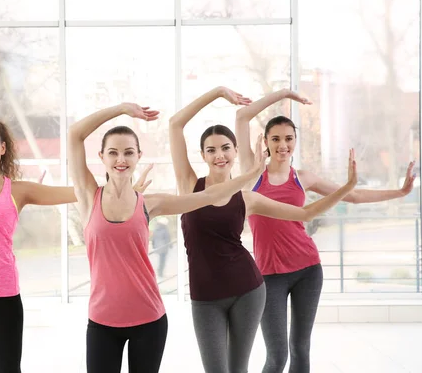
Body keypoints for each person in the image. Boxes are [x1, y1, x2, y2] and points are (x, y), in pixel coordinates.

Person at [0, 96, 151, 373]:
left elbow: (81, 193)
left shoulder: (18, 191)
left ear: (3, 147)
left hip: (3, 294)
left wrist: (124, 193)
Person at [68, 101, 278, 373]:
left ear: (138, 156)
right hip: (102, 320)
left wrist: (252, 174)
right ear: (102, 156)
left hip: (149, 318)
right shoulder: (88, 196)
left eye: (128, 153)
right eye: (114, 153)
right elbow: (74, 135)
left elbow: (208, 196)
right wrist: (120, 109)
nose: (121, 159)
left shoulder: (149, 203)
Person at [169, 86, 359, 373]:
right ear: (203, 155)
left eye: (225, 148)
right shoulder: (189, 187)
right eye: (211, 150)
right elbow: (175, 124)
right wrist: (218, 92)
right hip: (205, 296)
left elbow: (306, 213)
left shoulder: (248, 197)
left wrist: (347, 187)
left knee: (241, 369)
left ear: (235, 152)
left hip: (247, 289)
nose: (219, 155)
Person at [234, 88, 416, 373]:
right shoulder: (253, 173)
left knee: (300, 350)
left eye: (288, 139)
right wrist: (284, 93)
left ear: (295, 142)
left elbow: (352, 196)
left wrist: (399, 192)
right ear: (266, 142)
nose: (283, 145)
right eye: (276, 139)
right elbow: (242, 116)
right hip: (269, 277)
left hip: (307, 270)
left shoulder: (303, 178)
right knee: (277, 355)